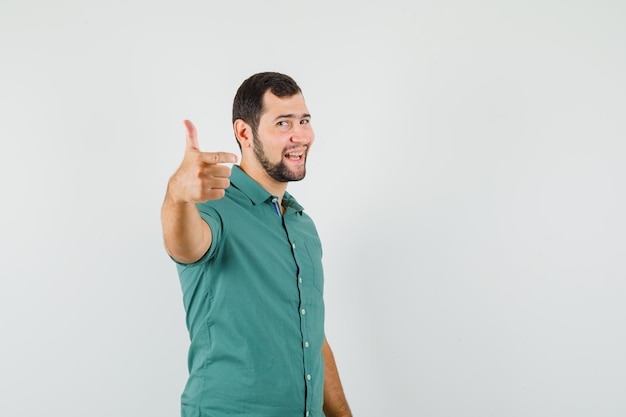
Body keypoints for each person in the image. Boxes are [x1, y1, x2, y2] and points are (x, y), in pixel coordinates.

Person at [161, 72, 352, 417]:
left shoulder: (302, 226)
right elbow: (185, 246)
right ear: (244, 133)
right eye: (283, 122)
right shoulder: (211, 205)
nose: (301, 135)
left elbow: (312, 336)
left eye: (304, 120)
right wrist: (178, 196)